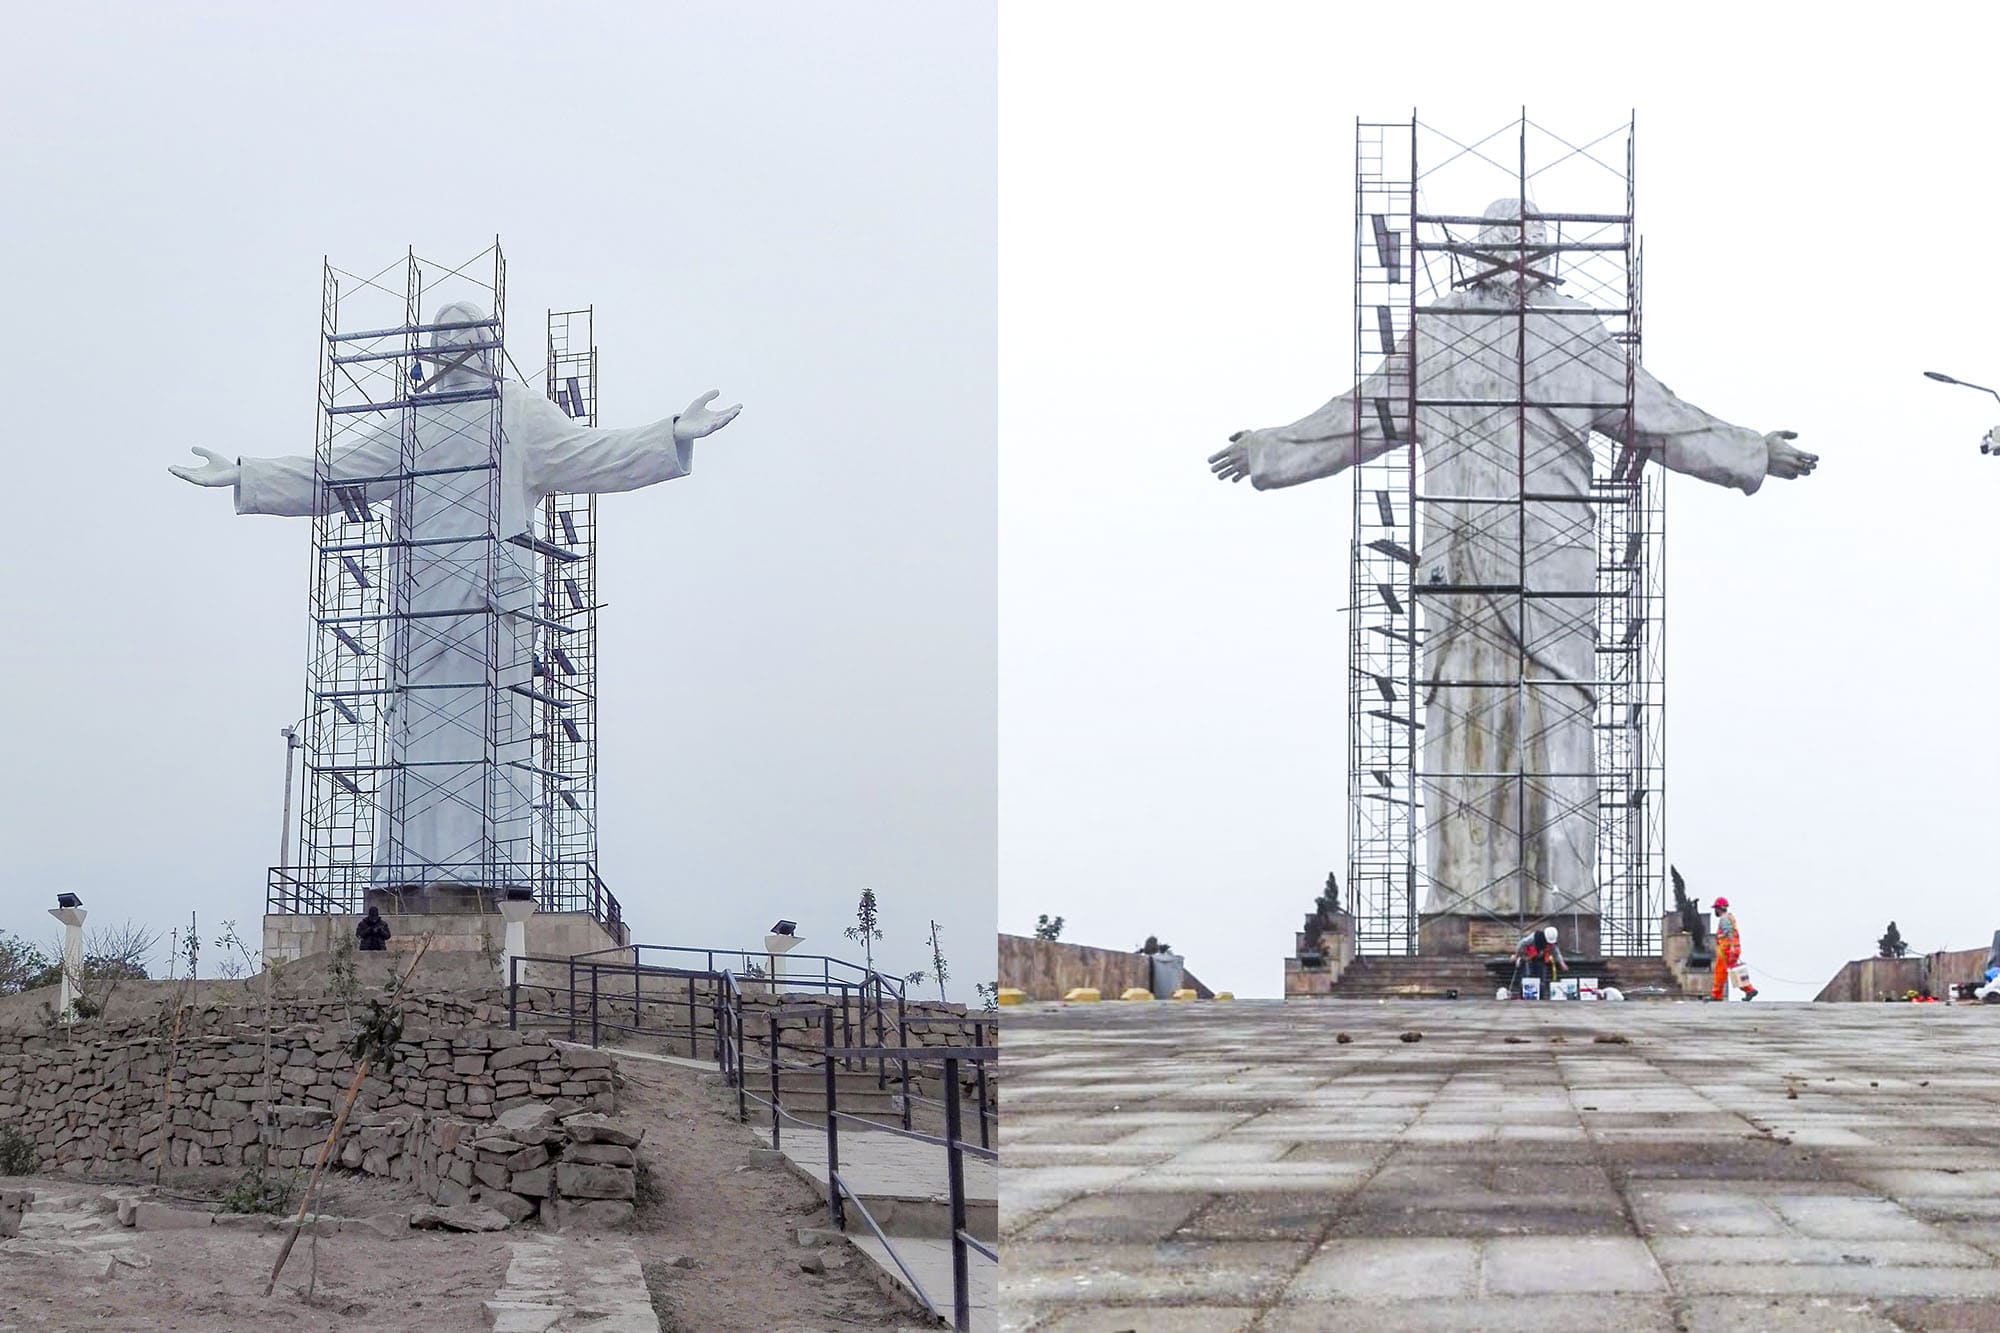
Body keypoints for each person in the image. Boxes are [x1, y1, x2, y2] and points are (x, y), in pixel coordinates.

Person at [1208, 200, 1818, 922]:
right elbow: (1355, 415)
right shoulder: (1440, 335)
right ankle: (1464, 899)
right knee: (1464, 722)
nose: (1513, 255)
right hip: (1466, 559)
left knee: (1553, 724)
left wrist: (1752, 450)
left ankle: (1563, 901)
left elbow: (1665, 420)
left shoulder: (1572, 333)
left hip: (1550, 564)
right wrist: (1271, 448)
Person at [1710, 897, 1757, 1001]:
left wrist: (1730, 947)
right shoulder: (1731, 917)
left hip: (1726, 950)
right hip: (1734, 948)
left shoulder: (1724, 919)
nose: (1715, 911)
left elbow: (1729, 933)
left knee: (1720, 972)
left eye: (1716, 908)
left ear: (1719, 908)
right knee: (1735, 971)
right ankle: (1749, 989)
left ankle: (1716, 995)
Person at [1511, 925, 1563, 999]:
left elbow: (1556, 952)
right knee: (1527, 976)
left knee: (1541, 979)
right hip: (1528, 958)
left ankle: (1540, 997)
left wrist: (1561, 962)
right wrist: (1516, 955)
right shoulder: (1534, 937)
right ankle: (1524, 996)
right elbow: (1521, 943)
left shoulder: (1552, 942)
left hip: (1541, 959)